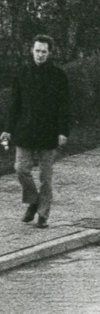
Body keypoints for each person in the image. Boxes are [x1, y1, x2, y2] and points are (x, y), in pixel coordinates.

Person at [2, 34, 71, 229]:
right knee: (21, 169)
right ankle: (33, 201)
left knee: (45, 177)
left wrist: (62, 132)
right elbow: (14, 104)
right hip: (25, 131)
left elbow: (64, 107)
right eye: (37, 51)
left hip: (48, 133)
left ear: (49, 53)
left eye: (44, 51)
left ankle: (43, 214)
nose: (40, 55)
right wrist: (7, 129)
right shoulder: (22, 73)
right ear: (31, 51)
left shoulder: (58, 76)